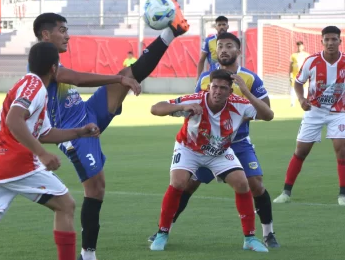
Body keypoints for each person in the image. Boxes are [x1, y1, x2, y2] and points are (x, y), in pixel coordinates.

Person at [33, 0, 189, 260]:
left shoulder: (53, 59)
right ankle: (88, 254)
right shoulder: (41, 62)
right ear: (45, 34)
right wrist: (118, 78)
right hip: (74, 132)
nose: (67, 36)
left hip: (87, 112)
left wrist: (121, 78)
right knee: (96, 188)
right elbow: (74, 79)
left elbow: (73, 80)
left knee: (127, 76)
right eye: (62, 30)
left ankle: (171, 32)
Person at [148, 32, 280, 248]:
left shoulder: (248, 80)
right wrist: (182, 108)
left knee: (250, 183)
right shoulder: (205, 81)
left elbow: (267, 113)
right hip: (196, 145)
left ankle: (262, 235)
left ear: (238, 51)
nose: (217, 91)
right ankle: (163, 231)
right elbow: (161, 107)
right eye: (220, 46)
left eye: (229, 46)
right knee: (184, 184)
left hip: (233, 142)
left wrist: (246, 96)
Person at [0, 42, 100, 260]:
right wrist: (42, 154)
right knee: (65, 204)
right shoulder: (34, 86)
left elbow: (45, 133)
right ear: (54, 69)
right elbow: (13, 119)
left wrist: (80, 132)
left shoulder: (31, 86)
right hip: (17, 162)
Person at [273, 26, 345, 205]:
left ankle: (343, 194)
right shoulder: (311, 61)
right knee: (301, 151)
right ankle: (286, 192)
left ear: (340, 41)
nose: (330, 43)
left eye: (334, 39)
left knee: (342, 150)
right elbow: (298, 83)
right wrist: (301, 99)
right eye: (327, 39)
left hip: (339, 112)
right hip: (314, 111)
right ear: (322, 41)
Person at [197, 15, 229, 80]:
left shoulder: (233, 40)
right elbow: (201, 60)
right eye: (219, 25)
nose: (222, 27)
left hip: (229, 75)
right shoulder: (208, 41)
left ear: (227, 26)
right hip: (213, 75)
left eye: (224, 24)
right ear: (215, 27)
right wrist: (198, 77)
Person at [289, 41, 309, 107]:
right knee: (293, 88)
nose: (299, 47)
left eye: (300, 46)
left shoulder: (306, 55)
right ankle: (292, 103)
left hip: (304, 74)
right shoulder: (293, 55)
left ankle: (305, 102)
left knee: (305, 88)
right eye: (298, 46)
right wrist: (290, 75)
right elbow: (290, 66)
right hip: (295, 75)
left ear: (303, 47)